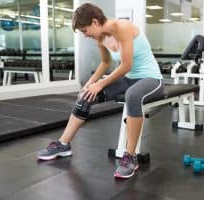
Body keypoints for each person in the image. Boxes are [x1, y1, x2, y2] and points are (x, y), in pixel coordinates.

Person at [37, 3, 164, 179]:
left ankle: (130, 156)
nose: (85, 35)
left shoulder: (123, 28)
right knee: (88, 96)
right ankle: (63, 144)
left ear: (95, 22)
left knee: (132, 95)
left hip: (151, 79)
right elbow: (105, 63)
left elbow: (127, 65)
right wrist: (90, 83)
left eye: (84, 30)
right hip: (129, 79)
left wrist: (101, 84)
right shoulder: (101, 38)